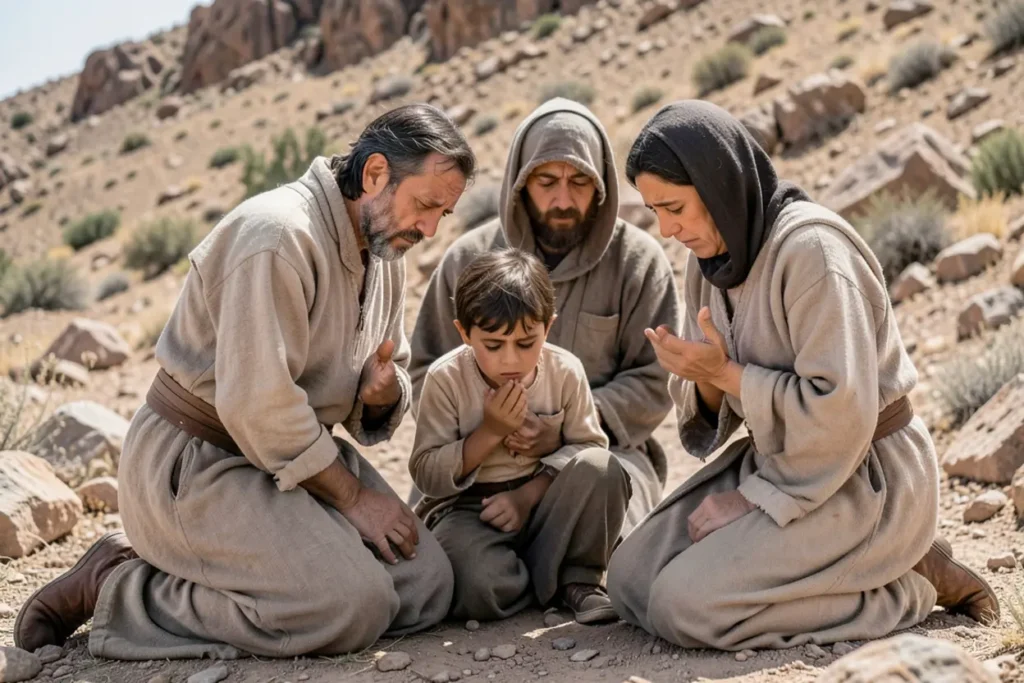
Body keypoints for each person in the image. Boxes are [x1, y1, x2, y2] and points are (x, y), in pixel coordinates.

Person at [15, 104, 475, 659]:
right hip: (199, 462)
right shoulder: (277, 236)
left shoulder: (385, 247)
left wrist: (383, 394)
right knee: (348, 606)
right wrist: (353, 498)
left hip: (298, 460)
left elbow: (388, 363)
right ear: (376, 173)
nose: (429, 229)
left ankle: (249, 574)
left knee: (426, 584)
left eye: (442, 214)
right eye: (425, 205)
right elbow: (258, 406)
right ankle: (120, 583)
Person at [606, 100, 1000, 651]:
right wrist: (706, 376)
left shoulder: (813, 252)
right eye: (655, 212)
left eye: (675, 208)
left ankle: (903, 585)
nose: (668, 230)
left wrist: (751, 490)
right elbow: (716, 404)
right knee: (629, 581)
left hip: (864, 476)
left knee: (683, 608)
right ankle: (845, 570)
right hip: (780, 461)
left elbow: (841, 413)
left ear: (718, 185)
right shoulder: (711, 261)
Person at [409, 97, 680, 531]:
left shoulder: (637, 263)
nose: (563, 199)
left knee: (619, 546)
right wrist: (494, 428)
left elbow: (655, 378)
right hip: (478, 462)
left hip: (601, 449)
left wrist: (565, 428)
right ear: (521, 182)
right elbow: (425, 371)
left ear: (602, 186)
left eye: (580, 181)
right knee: (444, 558)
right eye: (547, 181)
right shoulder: (468, 259)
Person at [410, 248, 628, 624]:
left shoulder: (565, 371)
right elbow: (427, 474)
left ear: (548, 326)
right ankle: (548, 580)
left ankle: (579, 580)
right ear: (464, 332)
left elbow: (591, 447)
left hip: (546, 501)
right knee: (476, 584)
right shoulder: (446, 379)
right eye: (493, 345)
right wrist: (490, 432)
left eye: (526, 343)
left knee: (603, 469)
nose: (510, 360)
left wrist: (527, 497)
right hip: (472, 511)